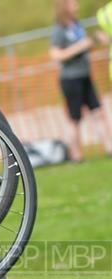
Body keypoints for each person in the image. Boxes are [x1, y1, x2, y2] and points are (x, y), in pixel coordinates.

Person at [49, 0, 112, 162]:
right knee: (75, 118)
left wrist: (94, 41)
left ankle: (109, 147)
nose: (76, 6)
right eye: (73, 3)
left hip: (85, 76)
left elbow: (84, 46)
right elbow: (56, 55)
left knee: (99, 113)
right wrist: (80, 46)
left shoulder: (77, 25)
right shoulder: (59, 30)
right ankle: (76, 155)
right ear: (64, 7)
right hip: (70, 80)